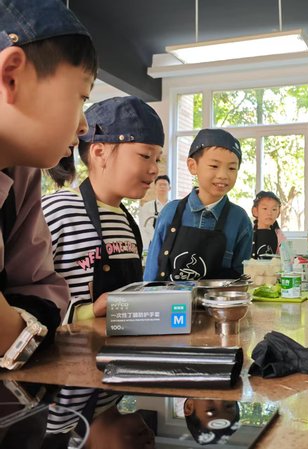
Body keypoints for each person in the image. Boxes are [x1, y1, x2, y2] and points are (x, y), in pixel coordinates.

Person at [0, 0, 96, 369]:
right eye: (81, 96)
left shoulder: (20, 175)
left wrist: (12, 331)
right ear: (12, 77)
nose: (84, 126)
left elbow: (45, 293)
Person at [42, 96, 164, 323]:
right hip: (66, 345)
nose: (154, 169)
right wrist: (88, 311)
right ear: (99, 153)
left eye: (157, 159)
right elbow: (21, 298)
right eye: (145, 156)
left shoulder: (126, 222)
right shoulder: (58, 211)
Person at [144, 128, 252, 281]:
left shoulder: (239, 219)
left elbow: (241, 278)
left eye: (232, 168)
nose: (223, 175)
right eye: (214, 166)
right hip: (167, 297)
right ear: (192, 166)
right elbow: (151, 271)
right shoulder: (170, 212)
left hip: (219, 298)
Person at [138, 174, 170, 250]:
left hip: (169, 244)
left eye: (165, 185)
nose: (162, 187)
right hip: (152, 245)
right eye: (160, 185)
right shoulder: (147, 207)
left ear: (169, 188)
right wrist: (158, 241)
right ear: (155, 187)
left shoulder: (174, 207)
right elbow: (146, 227)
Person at [251, 190, 286, 258]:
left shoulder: (279, 235)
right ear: (255, 211)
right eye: (265, 208)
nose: (269, 213)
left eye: (274, 209)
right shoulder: (248, 231)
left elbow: (286, 257)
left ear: (278, 213)